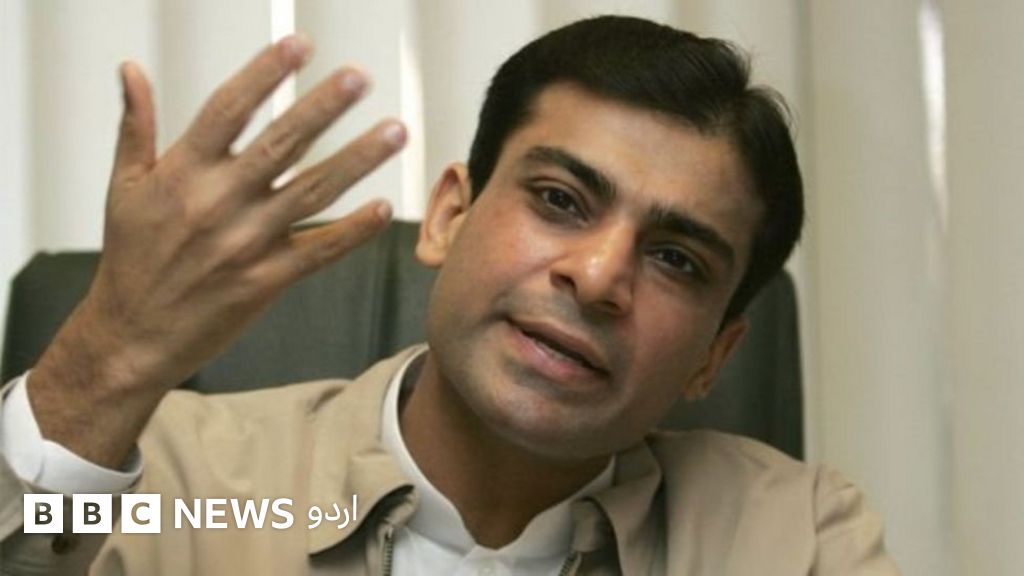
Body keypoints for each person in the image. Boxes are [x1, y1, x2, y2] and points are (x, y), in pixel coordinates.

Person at [0, 15, 898, 575]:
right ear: (448, 217)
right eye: (560, 200)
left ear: (715, 356)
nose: (597, 277)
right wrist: (105, 359)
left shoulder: (798, 539)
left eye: (675, 259)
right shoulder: (166, 476)